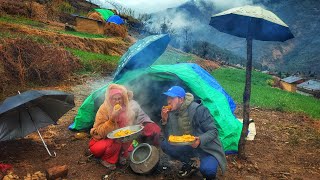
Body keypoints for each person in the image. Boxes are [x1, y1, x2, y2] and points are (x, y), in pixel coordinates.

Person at [160, 86, 227, 179]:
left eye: (172, 98)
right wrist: (164, 120)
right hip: (188, 145)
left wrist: (200, 140)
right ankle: (189, 163)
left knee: (208, 170)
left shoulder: (199, 110)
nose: (169, 101)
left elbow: (214, 131)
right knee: (165, 145)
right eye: (168, 97)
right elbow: (170, 137)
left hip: (205, 147)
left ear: (181, 99)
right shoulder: (172, 112)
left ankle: (207, 173)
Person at [89, 84, 161, 170]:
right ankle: (106, 160)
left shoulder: (127, 108)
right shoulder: (104, 109)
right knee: (115, 143)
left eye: (119, 99)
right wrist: (112, 119)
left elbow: (129, 125)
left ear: (123, 99)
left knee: (129, 138)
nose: (117, 101)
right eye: (114, 99)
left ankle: (121, 155)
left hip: (120, 138)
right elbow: (99, 131)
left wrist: (137, 127)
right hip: (103, 139)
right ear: (109, 99)